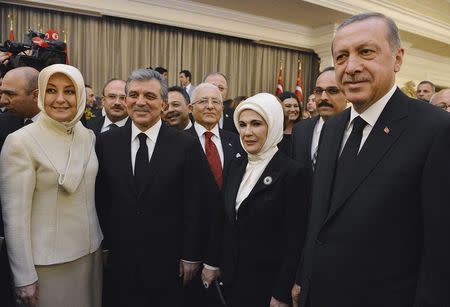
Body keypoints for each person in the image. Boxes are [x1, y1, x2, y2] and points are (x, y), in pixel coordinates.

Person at [292, 13, 450, 307]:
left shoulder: (436, 130)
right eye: (341, 57)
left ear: (397, 59)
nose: (351, 67)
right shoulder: (332, 127)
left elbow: (441, 252)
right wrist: (304, 278)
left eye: (366, 52)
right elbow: (320, 221)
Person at [95, 68, 209, 307]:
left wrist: (191, 255)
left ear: (164, 104)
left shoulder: (186, 145)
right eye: (134, 95)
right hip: (120, 261)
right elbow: (102, 200)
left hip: (168, 262)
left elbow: (195, 203)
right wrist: (104, 246)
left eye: (149, 96)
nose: (140, 102)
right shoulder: (106, 142)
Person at [0, 64, 103, 307]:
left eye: (69, 91)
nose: (60, 99)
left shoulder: (87, 136)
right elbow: (15, 218)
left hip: (90, 254)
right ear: (40, 94)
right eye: (51, 90)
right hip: (47, 264)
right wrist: (23, 275)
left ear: (80, 96)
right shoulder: (20, 142)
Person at [203, 93, 309, 307]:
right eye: (242, 125)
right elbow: (224, 219)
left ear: (273, 125)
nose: (247, 132)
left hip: (266, 287)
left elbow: (295, 241)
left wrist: (281, 293)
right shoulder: (235, 164)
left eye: (256, 124)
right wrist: (212, 263)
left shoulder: (293, 173)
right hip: (230, 282)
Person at [0, 66, 39, 307]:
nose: (3, 100)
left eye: (10, 94)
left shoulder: (68, 126)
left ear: (35, 94)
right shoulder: (3, 124)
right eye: (2, 92)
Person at [291, 67, 347, 173]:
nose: (323, 97)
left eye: (332, 91)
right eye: (318, 91)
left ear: (347, 94)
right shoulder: (300, 130)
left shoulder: (356, 131)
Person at [187, 83, 243, 188]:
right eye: (203, 101)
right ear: (191, 108)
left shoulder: (237, 141)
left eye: (215, 102)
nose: (210, 106)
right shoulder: (180, 141)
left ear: (222, 108)